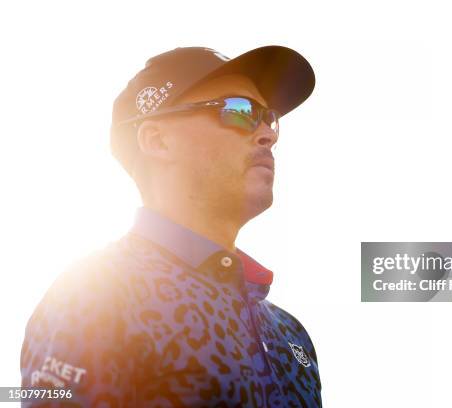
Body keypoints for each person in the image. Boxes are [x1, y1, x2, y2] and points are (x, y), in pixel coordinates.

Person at [20, 45, 322, 407]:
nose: (267, 134)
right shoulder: (94, 295)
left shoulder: (291, 333)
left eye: (268, 118)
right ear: (157, 140)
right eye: (239, 111)